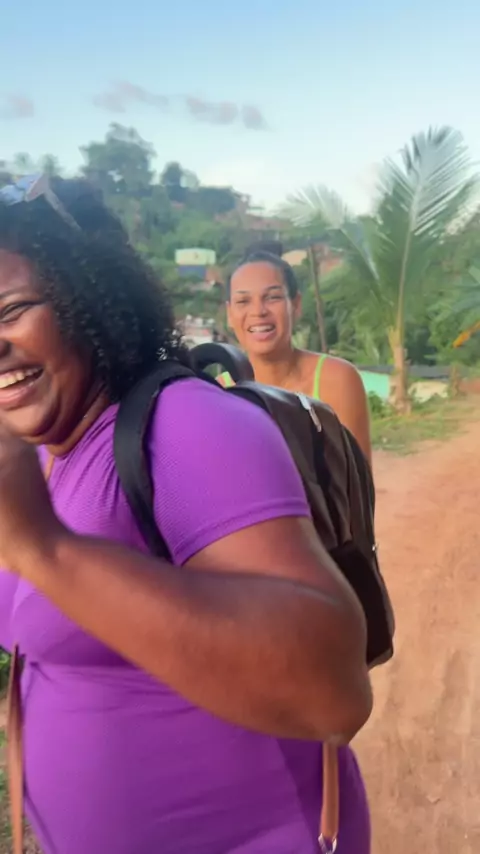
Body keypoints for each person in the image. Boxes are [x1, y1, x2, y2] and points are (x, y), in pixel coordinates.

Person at [0, 176, 372, 854]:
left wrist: (45, 549)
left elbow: (334, 695)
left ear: (87, 300)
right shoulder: (37, 457)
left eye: (12, 310)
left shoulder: (187, 428)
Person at [223, 250, 372, 462]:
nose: (258, 311)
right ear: (230, 314)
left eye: (272, 297)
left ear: (296, 305)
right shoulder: (217, 393)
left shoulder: (337, 380)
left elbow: (358, 480)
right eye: (243, 301)